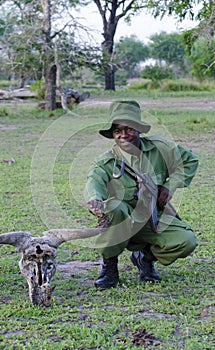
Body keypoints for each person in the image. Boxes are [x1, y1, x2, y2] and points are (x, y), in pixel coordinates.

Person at [85, 100, 199, 289]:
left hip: (153, 218)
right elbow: (93, 181)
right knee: (113, 207)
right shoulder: (106, 162)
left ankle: (145, 258)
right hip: (124, 220)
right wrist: (94, 199)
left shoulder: (161, 148)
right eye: (117, 131)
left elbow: (189, 161)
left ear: (138, 129)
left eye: (129, 129)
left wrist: (170, 186)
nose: (123, 136)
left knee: (186, 242)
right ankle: (110, 268)